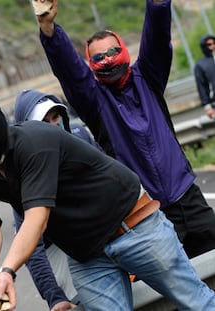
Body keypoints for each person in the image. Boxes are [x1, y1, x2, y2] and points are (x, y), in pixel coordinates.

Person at [0, 85, 215, 310]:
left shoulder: (34, 140)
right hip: (87, 256)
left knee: (197, 304)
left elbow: (37, 216)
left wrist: (6, 270)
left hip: (135, 228)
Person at [36, 0, 215, 259]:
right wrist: (48, 27)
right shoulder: (93, 100)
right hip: (146, 215)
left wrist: (157, 4)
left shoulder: (148, 78)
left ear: (124, 51)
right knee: (175, 292)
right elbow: (71, 72)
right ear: (91, 63)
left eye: (113, 51)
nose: (108, 59)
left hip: (188, 197)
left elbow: (156, 39)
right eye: (99, 57)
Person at [13, 89, 107, 310]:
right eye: (44, 121)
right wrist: (54, 296)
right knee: (85, 299)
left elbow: (112, 179)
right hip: (55, 245)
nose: (53, 125)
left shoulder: (80, 136)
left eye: (56, 117)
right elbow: (31, 247)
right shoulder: (21, 171)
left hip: (97, 226)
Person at [194, 34, 215, 118]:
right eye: (209, 44)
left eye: (214, 43)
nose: (213, 46)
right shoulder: (200, 65)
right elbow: (201, 87)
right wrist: (207, 106)